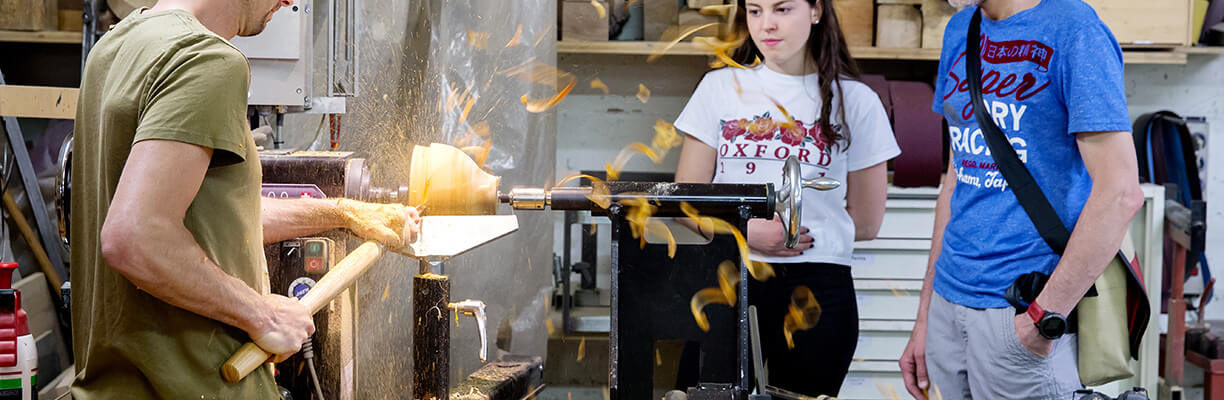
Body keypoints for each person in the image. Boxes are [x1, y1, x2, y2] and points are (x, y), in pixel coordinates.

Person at [70, 0, 423, 398]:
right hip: (198, 386)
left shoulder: (112, 48)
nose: (290, 2)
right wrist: (262, 313)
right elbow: (135, 237)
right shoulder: (206, 61)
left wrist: (343, 212)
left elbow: (215, 220)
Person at [897, 0, 1143, 398]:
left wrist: (1043, 319)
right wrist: (926, 314)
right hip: (949, 307)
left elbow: (1120, 193)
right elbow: (955, 179)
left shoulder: (1074, 29)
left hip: (1022, 313)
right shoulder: (961, 28)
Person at [673, 0, 899, 395]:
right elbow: (685, 200)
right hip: (729, 277)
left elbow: (866, 221)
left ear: (815, 11)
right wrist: (744, 232)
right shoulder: (719, 88)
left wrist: (799, 236)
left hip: (818, 286)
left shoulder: (857, 101)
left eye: (782, 9)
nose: (767, 25)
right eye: (755, 11)